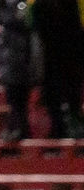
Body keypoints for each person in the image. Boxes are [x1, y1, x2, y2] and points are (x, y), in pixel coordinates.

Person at [33, 0, 84, 137]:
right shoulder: (39, 5)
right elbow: (37, 30)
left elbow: (77, 28)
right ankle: (57, 126)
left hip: (70, 53)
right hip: (50, 55)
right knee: (53, 93)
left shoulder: (71, 4)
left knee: (72, 90)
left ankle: (74, 122)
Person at [0, 0, 41, 140]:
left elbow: (22, 22)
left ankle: (19, 128)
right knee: (13, 98)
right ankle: (17, 127)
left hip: (21, 59)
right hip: (10, 59)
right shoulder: (9, 9)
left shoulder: (23, 6)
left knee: (19, 98)